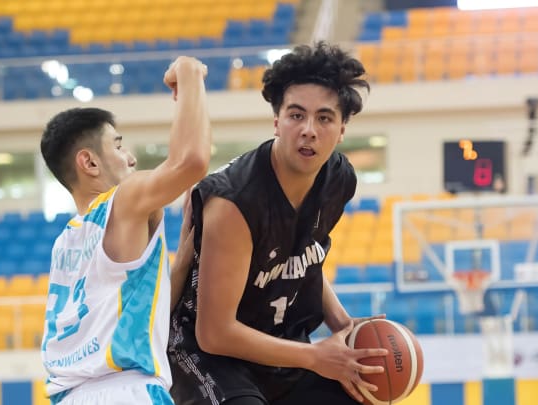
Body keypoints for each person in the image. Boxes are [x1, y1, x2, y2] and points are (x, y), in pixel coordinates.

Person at [168, 42, 387, 405]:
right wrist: (316, 356)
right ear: (276, 122)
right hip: (207, 355)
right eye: (296, 115)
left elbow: (303, 259)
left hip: (278, 344)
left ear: (343, 129)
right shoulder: (234, 202)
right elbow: (214, 333)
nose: (309, 130)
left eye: (325, 118)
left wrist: (344, 326)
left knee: (360, 392)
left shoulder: (338, 179)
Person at [39, 56, 210, 405]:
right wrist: (190, 75)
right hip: (126, 392)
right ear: (89, 162)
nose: (130, 157)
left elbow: (142, 305)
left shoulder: (65, 242)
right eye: (118, 145)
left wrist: (184, 257)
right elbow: (191, 161)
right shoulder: (123, 200)